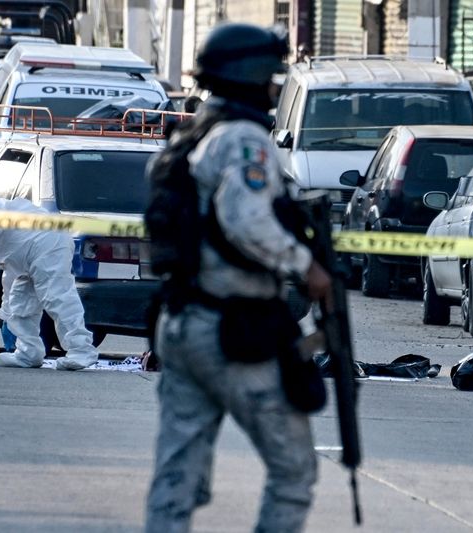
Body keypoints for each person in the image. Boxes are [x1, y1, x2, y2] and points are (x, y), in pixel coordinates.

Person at [145, 23, 333, 532]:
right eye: (270, 77)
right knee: (294, 470)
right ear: (249, 76)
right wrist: (307, 266)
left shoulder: (192, 137)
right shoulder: (244, 139)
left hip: (181, 321)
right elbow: (246, 219)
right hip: (230, 329)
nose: (274, 89)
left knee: (178, 472)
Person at [0, 197, 99, 370]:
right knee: (20, 301)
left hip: (47, 245)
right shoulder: (10, 236)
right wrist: (7, 317)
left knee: (58, 298)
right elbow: (9, 281)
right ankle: (28, 354)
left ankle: (81, 350)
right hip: (34, 254)